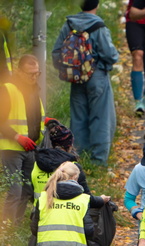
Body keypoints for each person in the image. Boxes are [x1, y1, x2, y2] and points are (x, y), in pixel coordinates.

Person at [52, 0, 118, 165]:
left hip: (75, 77)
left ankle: (78, 156)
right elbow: (109, 54)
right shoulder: (99, 26)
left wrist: (70, 69)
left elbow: (56, 52)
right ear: (97, 5)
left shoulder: (69, 24)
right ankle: (98, 159)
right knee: (100, 117)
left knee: (78, 117)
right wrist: (104, 65)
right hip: (97, 76)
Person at [0, 55, 44, 220]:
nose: (33, 77)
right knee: (15, 190)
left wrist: (47, 121)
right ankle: (6, 230)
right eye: (29, 74)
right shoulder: (8, 89)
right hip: (11, 148)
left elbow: (33, 117)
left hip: (30, 148)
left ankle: (15, 228)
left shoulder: (34, 90)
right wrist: (18, 137)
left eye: (36, 74)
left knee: (26, 191)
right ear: (19, 72)